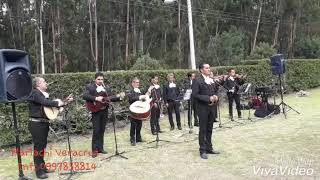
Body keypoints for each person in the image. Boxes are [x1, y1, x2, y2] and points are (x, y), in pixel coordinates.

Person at [28, 77, 73, 179]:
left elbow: (50, 109)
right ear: (38, 84)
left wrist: (65, 102)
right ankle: (39, 172)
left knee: (42, 147)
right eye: (44, 82)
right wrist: (58, 102)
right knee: (38, 148)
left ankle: (43, 168)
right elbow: (46, 103)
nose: (46, 83)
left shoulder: (42, 95)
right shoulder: (35, 93)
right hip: (36, 124)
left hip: (42, 124)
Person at [83, 72, 121, 158]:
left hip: (104, 111)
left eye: (102, 79)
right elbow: (85, 95)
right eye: (98, 79)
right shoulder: (90, 87)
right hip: (95, 111)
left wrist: (120, 97)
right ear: (95, 79)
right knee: (96, 130)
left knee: (102, 130)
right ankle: (94, 150)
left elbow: (110, 97)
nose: (100, 81)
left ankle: (100, 148)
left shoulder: (106, 88)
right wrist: (96, 98)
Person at [192, 63, 220, 159]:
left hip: (212, 108)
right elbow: (195, 95)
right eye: (206, 68)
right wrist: (208, 98)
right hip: (202, 108)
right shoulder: (197, 80)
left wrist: (216, 96)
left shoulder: (211, 80)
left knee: (210, 128)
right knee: (203, 129)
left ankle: (209, 148)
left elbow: (214, 91)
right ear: (201, 70)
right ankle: (202, 150)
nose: (209, 69)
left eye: (209, 68)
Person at [127, 77, 147, 146]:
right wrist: (139, 97)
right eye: (136, 82)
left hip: (140, 110)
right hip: (133, 110)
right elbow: (131, 99)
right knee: (133, 125)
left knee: (139, 124)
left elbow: (143, 99)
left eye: (138, 82)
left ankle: (138, 138)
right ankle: (132, 139)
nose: (138, 84)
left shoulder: (140, 91)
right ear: (133, 83)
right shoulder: (130, 91)